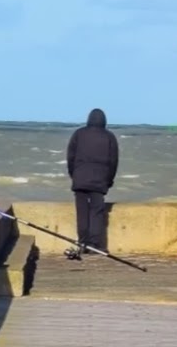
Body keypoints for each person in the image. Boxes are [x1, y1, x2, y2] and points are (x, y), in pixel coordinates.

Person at [65, 108, 119, 260]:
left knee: (82, 212)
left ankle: (83, 243)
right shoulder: (109, 137)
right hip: (99, 181)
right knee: (96, 213)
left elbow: (71, 157)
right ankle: (95, 245)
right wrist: (109, 180)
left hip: (80, 179)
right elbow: (114, 161)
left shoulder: (78, 134)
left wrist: (74, 175)